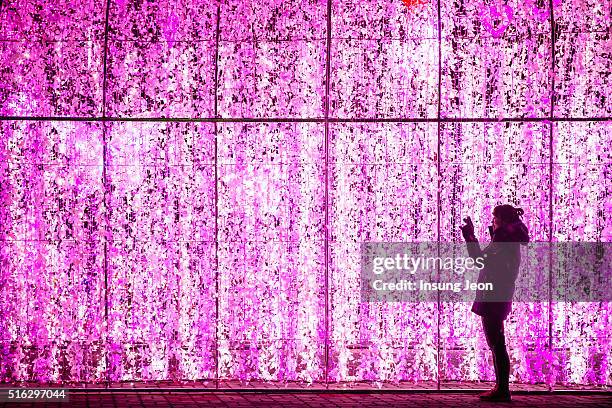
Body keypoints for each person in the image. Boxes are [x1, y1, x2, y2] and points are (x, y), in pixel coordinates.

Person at [460, 205, 530, 402]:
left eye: (494, 218)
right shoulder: (504, 241)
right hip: (495, 293)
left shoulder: (504, 242)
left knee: (497, 343)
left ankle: (502, 390)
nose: (492, 222)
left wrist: (470, 238)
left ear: (503, 220)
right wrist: (471, 238)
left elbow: (479, 261)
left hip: (495, 295)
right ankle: (500, 388)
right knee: (496, 343)